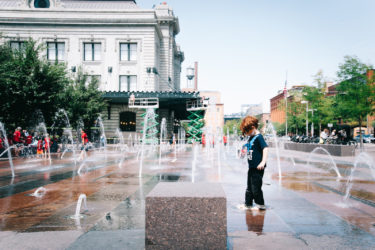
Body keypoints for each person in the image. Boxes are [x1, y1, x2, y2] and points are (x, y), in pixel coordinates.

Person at [240, 116, 268, 210]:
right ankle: (248, 204)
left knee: (256, 187)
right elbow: (247, 148)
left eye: (247, 131)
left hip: (258, 167)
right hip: (251, 167)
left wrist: (263, 162)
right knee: (249, 188)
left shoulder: (259, 137)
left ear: (253, 127)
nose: (246, 134)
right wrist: (243, 152)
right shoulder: (251, 138)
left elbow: (265, 148)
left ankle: (261, 205)